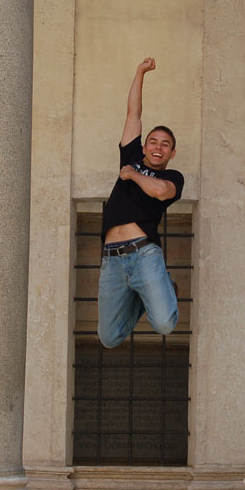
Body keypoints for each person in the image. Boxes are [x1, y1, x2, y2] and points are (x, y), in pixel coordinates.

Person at [97, 57, 184, 348]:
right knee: (108, 338)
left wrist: (132, 175)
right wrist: (140, 72)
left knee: (164, 324)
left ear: (172, 153)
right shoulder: (131, 155)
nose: (158, 147)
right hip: (111, 259)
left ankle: (163, 287)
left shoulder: (172, 176)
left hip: (144, 254)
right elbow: (133, 113)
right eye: (153, 142)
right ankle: (144, 295)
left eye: (165, 144)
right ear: (144, 146)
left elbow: (160, 191)